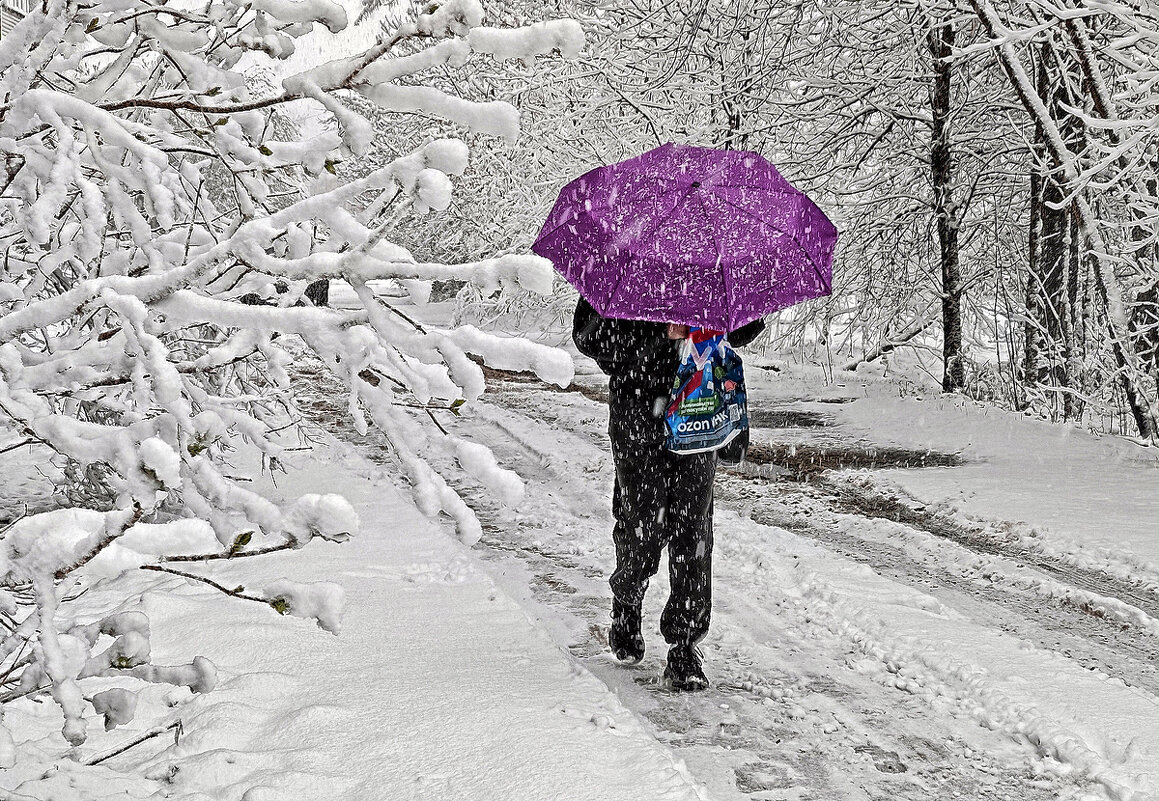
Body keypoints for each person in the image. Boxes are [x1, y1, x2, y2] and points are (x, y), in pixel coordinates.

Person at [572, 297, 765, 690]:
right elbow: (591, 339)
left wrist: (737, 312)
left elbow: (742, 332)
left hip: (699, 406)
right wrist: (659, 333)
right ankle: (627, 600)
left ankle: (684, 645)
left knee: (693, 527)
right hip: (637, 409)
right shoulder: (625, 257)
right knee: (643, 523)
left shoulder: (712, 263)